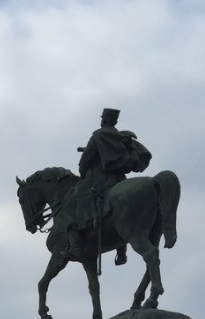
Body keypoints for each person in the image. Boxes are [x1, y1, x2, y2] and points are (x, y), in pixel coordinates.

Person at [62, 108, 151, 262]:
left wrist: (83, 171)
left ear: (103, 120)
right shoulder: (121, 137)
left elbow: (85, 162)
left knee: (71, 204)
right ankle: (122, 253)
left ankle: (76, 247)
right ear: (114, 122)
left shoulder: (98, 136)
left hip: (99, 179)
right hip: (119, 179)